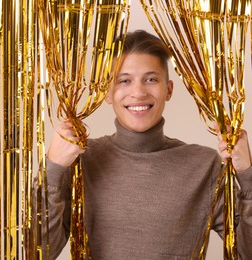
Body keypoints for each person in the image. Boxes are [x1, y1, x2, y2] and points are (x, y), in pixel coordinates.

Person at [40, 30, 252, 259]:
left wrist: (246, 174)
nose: (138, 92)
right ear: (106, 92)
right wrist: (53, 168)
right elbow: (38, 252)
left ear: (168, 90)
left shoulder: (204, 165)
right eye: (124, 80)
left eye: (151, 79)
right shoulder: (81, 161)